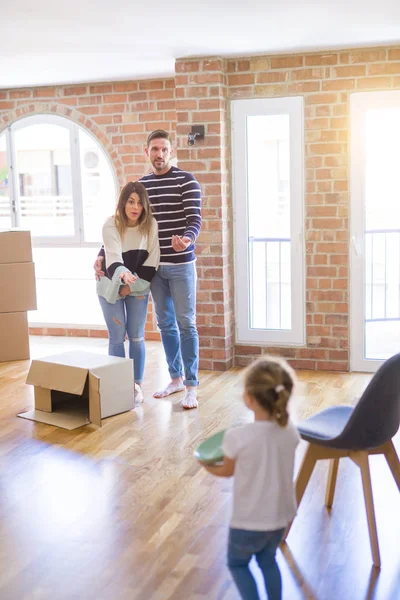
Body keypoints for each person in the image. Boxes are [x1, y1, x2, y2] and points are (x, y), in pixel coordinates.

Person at [95, 129, 202, 409]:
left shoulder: (186, 181)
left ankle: (192, 386)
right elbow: (119, 227)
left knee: (186, 323)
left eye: (164, 149)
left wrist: (187, 240)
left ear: (171, 151)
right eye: (154, 149)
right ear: (147, 152)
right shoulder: (141, 187)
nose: (159, 154)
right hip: (151, 271)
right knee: (165, 324)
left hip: (180, 265)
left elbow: (195, 219)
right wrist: (101, 255)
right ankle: (175, 378)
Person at [199, 356, 300, 600]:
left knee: (238, 565)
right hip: (279, 519)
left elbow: (226, 470)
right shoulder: (291, 432)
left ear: (249, 398)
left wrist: (205, 465)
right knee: (269, 561)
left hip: (248, 522)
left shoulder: (237, 437)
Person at [97, 181, 160, 404]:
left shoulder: (150, 225)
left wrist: (130, 285)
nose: (135, 207)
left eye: (140, 203)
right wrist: (123, 276)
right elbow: (113, 257)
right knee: (116, 336)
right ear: (123, 203)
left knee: (136, 335)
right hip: (109, 285)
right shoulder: (111, 225)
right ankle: (117, 385)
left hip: (138, 286)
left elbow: (152, 263)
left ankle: (136, 386)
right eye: (130, 202)